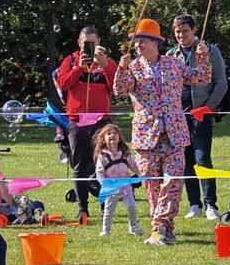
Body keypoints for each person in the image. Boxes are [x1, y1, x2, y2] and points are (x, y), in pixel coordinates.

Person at [114, 19, 211, 246]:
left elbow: (201, 78)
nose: (138, 45)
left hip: (175, 133)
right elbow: (119, 90)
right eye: (135, 41)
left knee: (173, 182)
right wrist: (122, 68)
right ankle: (165, 228)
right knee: (152, 184)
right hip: (146, 136)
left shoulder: (174, 64)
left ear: (155, 42)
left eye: (142, 41)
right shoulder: (134, 67)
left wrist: (203, 56)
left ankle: (159, 226)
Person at [168, 14, 229, 221]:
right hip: (178, 116)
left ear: (193, 31)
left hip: (201, 114)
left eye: (185, 31)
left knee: (202, 158)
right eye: (177, 31)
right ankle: (194, 204)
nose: (181, 35)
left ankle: (211, 204)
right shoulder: (170, 55)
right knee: (185, 160)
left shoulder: (210, 51)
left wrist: (207, 108)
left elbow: (221, 83)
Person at [53, 26, 116, 220]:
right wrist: (78, 67)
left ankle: (106, 205)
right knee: (80, 165)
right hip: (77, 121)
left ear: (99, 42)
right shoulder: (70, 61)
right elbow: (62, 84)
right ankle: (83, 208)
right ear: (79, 44)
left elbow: (117, 87)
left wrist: (105, 65)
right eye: (85, 43)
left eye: (93, 42)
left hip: (102, 122)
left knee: (105, 164)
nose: (89, 46)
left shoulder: (107, 61)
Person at [93, 123, 145, 237]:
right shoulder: (102, 155)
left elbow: (133, 166)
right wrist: (104, 184)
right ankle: (106, 230)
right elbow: (99, 172)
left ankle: (134, 227)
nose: (112, 135)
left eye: (115, 133)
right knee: (108, 211)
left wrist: (142, 173)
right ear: (103, 138)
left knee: (132, 207)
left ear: (119, 137)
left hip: (126, 186)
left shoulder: (125, 153)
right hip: (111, 187)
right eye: (109, 133)